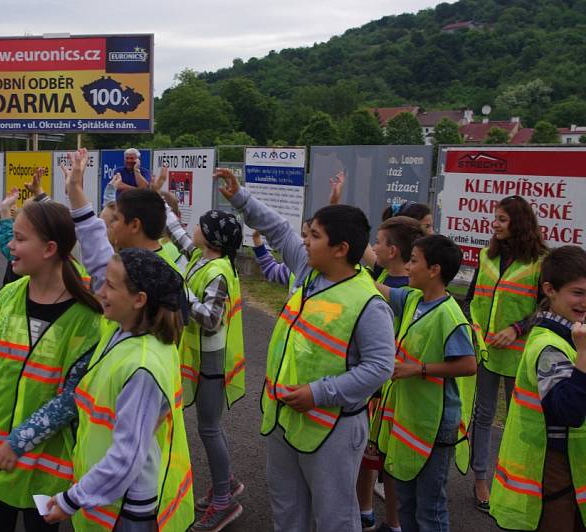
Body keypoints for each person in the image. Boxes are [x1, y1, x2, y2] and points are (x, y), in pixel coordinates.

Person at [215, 168, 395, 531]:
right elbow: (279, 228)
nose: (304, 240)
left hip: (332, 426)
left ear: (341, 249)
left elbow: (379, 368)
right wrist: (240, 198)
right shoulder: (308, 270)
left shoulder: (368, 302)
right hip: (286, 418)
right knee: (287, 509)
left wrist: (319, 393)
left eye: (314, 236)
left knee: (334, 517)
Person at [43, 248, 194, 531]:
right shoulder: (121, 331)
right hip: (110, 495)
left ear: (139, 300)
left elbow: (126, 458)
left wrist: (70, 500)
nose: (99, 291)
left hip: (124, 508)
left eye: (110, 286)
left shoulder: (142, 366)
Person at [0, 200, 103, 532]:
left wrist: (18, 442)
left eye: (19, 238)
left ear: (49, 249)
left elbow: (74, 395)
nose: (9, 245)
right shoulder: (8, 296)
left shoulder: (88, 316)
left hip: (46, 465)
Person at [374, 235, 477, 532]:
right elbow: (378, 289)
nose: (407, 267)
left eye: (414, 260)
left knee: (429, 509)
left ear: (434, 269)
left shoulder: (449, 314)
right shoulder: (413, 299)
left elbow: (468, 365)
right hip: (410, 418)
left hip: (435, 423)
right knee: (406, 500)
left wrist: (418, 369)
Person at [161, 199, 246, 531]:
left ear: (210, 238)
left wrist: (182, 292)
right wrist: (156, 195)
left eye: (199, 225)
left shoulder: (218, 271)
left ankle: (224, 500)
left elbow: (211, 319)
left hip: (212, 359)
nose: (191, 229)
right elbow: (177, 232)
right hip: (203, 356)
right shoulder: (202, 256)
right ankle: (227, 482)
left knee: (209, 428)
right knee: (211, 427)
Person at [489, 245, 586, 531]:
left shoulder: (572, 332)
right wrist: (584, 355)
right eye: (577, 293)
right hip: (549, 467)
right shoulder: (549, 345)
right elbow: (568, 411)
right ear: (549, 290)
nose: (584, 301)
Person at [465, 195, 547, 510]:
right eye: (495, 218)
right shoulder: (487, 256)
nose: (495, 224)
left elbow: (547, 306)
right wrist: (473, 331)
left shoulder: (540, 260)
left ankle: (517, 483)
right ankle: (480, 481)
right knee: (483, 417)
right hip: (486, 353)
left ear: (519, 222)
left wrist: (516, 328)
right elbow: (472, 297)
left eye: (501, 219)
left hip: (520, 357)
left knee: (519, 422)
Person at [358, 215, 424, 532]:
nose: (373, 248)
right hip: (375, 385)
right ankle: (365, 510)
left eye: (379, 242)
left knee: (390, 460)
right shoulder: (382, 270)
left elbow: (363, 274)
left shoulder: (409, 290)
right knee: (367, 455)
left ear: (393, 250)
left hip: (392, 384)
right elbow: (361, 252)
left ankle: (393, 523)